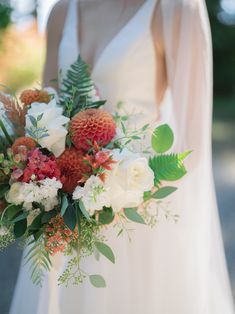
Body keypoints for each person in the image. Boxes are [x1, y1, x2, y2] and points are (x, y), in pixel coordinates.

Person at [10, 0, 235, 313]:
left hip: (135, 216)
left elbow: (190, 146)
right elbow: (43, 112)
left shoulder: (176, 9)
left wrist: (113, 199)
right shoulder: (61, 12)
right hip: (63, 216)